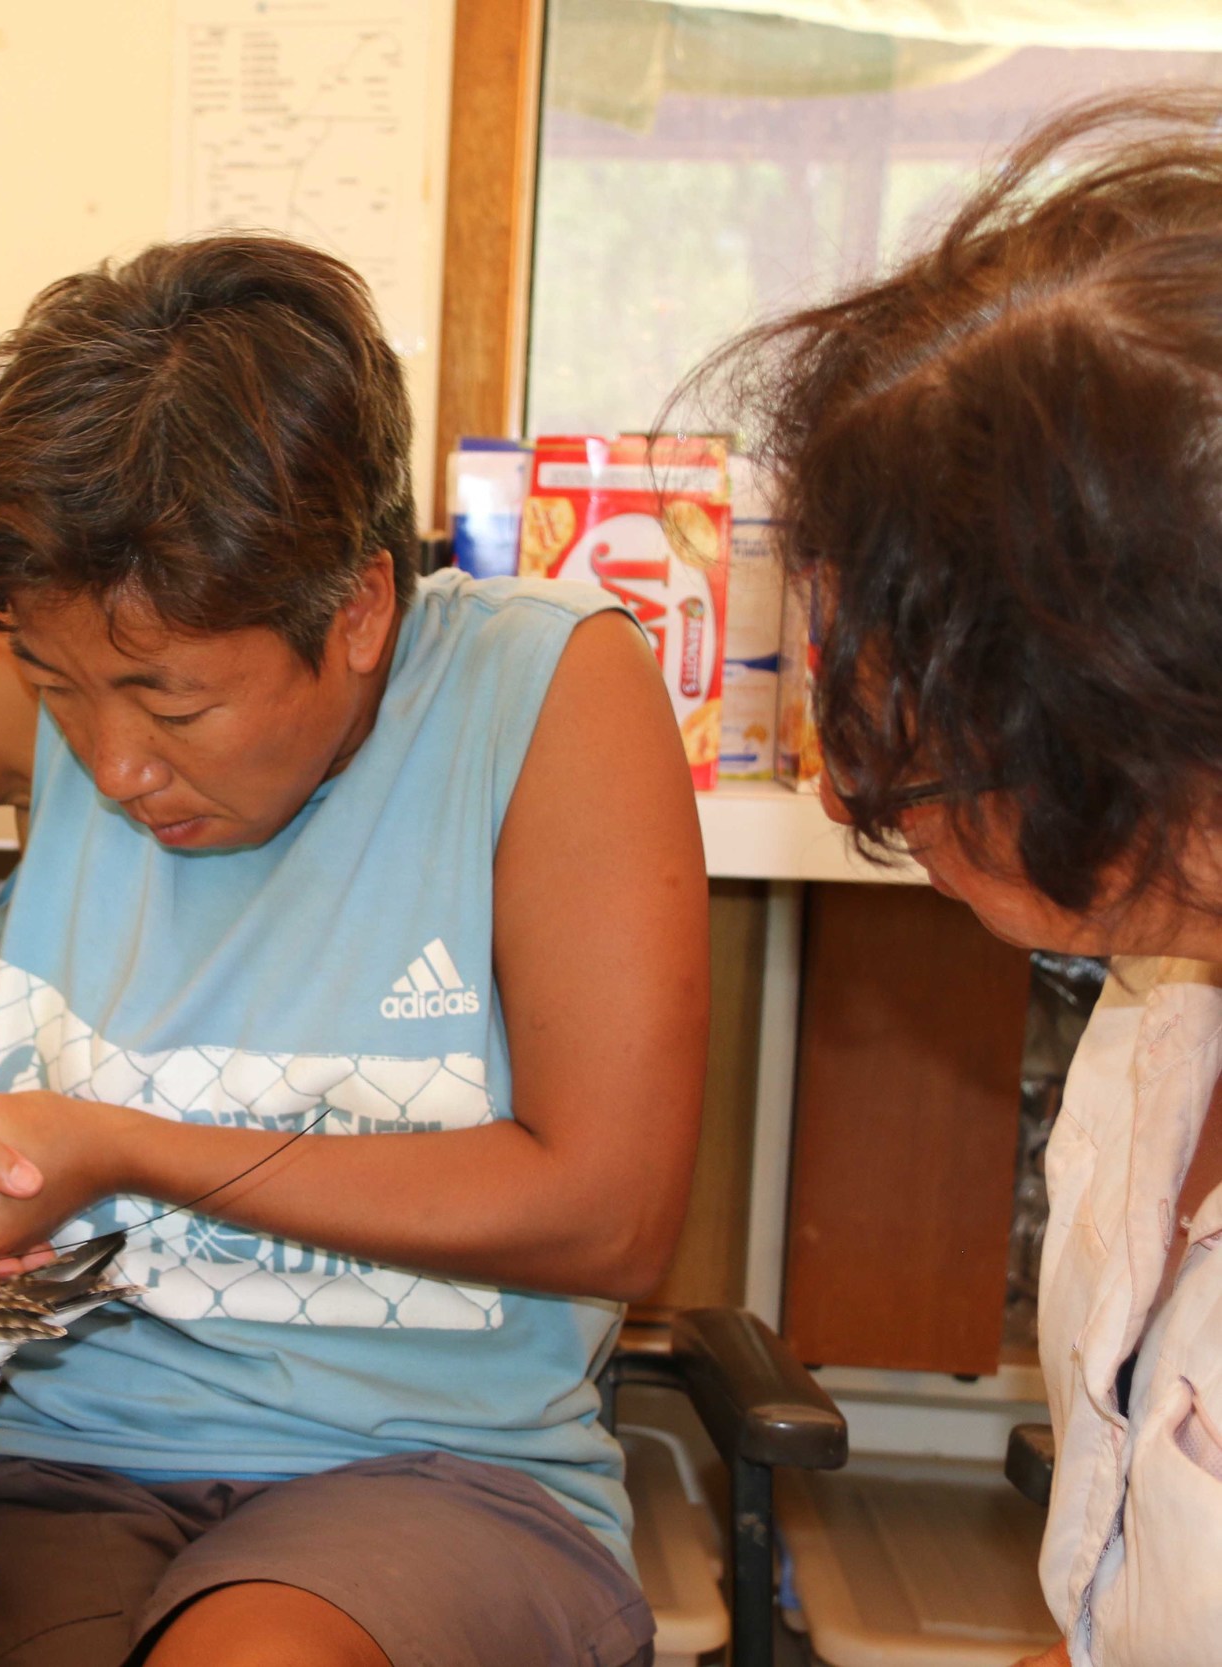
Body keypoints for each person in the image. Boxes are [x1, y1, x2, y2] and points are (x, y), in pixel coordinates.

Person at [0, 234, 708, 1667]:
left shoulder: (549, 692)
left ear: (358, 612)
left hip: (440, 1476)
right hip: (61, 1465)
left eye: (173, 705)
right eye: (59, 694)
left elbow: (609, 1211)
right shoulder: (85, 638)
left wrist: (130, 1148)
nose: (113, 762)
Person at [696, 89, 1222, 1667]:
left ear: (1116, 705)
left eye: (892, 684)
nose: (845, 749)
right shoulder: (1158, 1024)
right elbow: (1117, 1582)